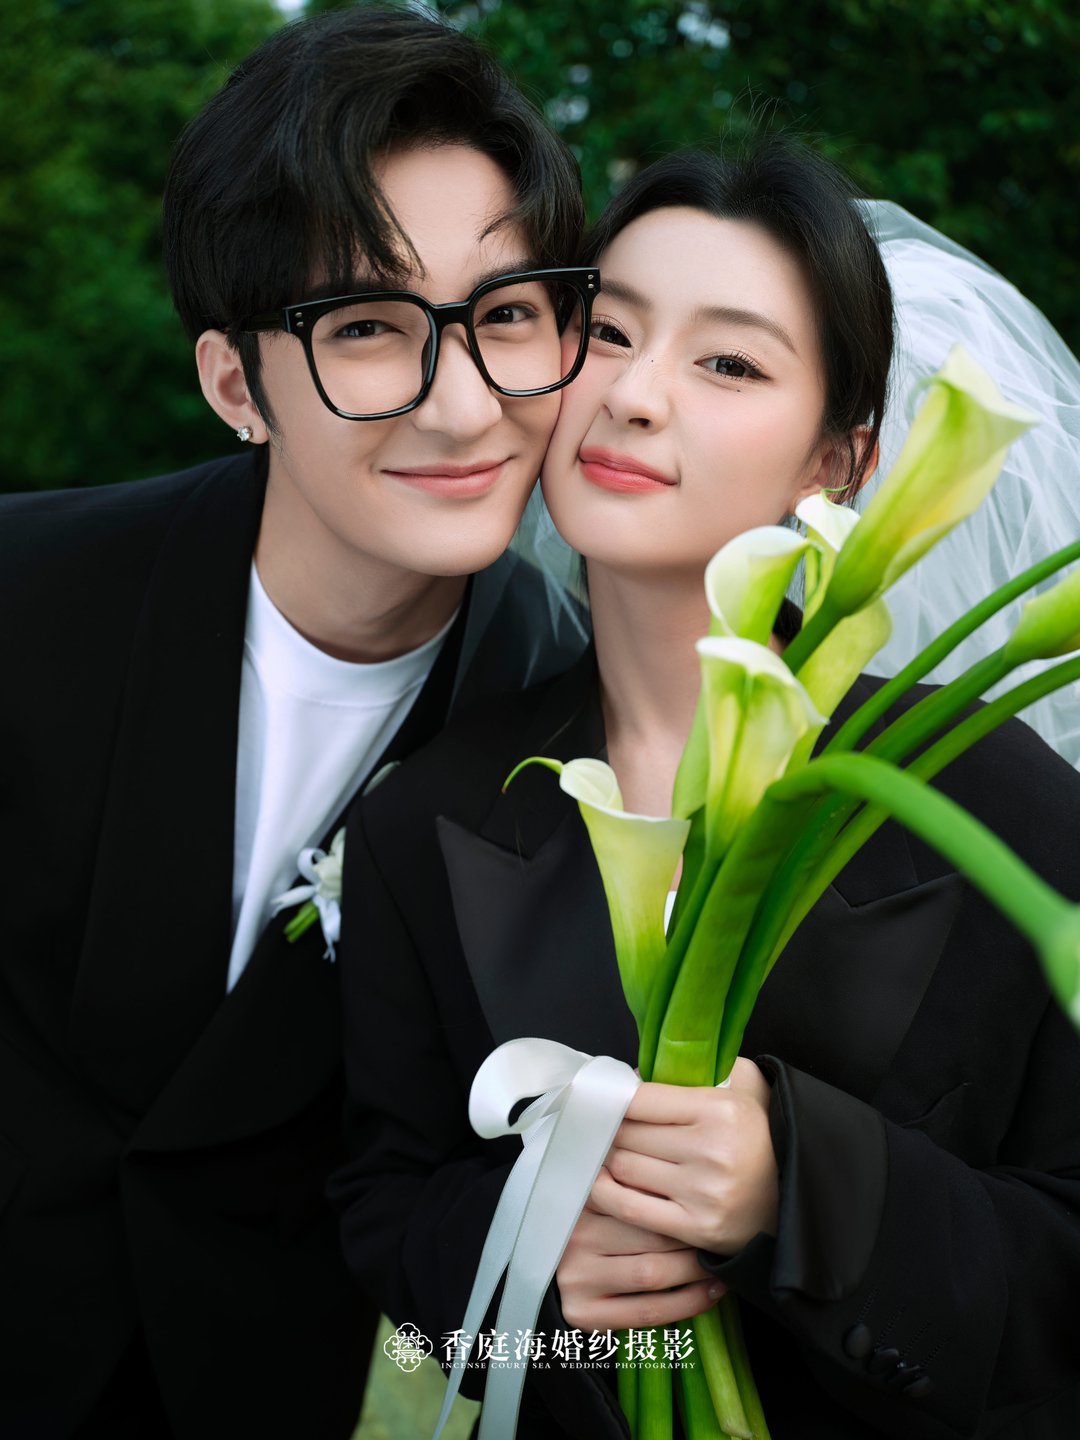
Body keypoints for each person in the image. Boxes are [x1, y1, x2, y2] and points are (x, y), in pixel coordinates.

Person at [331, 142, 1080, 1438]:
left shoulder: (994, 803)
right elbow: (383, 1221)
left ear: (841, 461)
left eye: (728, 362)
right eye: (609, 333)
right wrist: (530, 1272)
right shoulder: (422, 818)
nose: (633, 396)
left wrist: (809, 1186)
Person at [0, 8, 592, 1439]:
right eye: (368, 328)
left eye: (508, 315)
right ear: (235, 385)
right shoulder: (25, 594)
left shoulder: (573, 733)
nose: (463, 406)